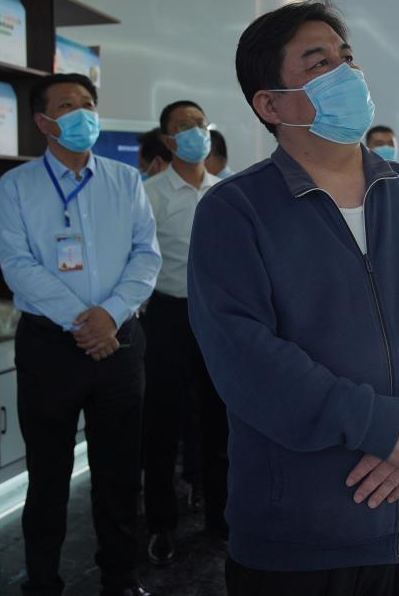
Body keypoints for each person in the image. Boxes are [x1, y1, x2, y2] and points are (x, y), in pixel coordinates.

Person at [188, 0, 399, 596]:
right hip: (302, 535)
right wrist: (383, 426)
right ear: (270, 104)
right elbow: (246, 357)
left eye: (347, 57)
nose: (346, 73)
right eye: (319, 63)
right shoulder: (236, 210)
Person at [0, 73, 160, 596]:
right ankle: (43, 581)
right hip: (49, 349)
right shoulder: (16, 186)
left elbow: (146, 254)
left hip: (119, 345)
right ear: (43, 122)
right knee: (47, 476)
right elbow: (18, 265)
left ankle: (120, 578)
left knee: (119, 474)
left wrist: (109, 315)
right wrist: (84, 321)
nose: (82, 113)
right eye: (67, 105)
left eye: (88, 103)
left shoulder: (125, 180)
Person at [140, 100, 228, 566]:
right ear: (168, 140)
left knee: (220, 422)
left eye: (200, 123)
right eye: (184, 125)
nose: (196, 131)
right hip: (168, 315)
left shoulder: (225, 191)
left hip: (218, 318)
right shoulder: (149, 194)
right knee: (162, 424)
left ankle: (220, 518)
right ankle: (161, 524)